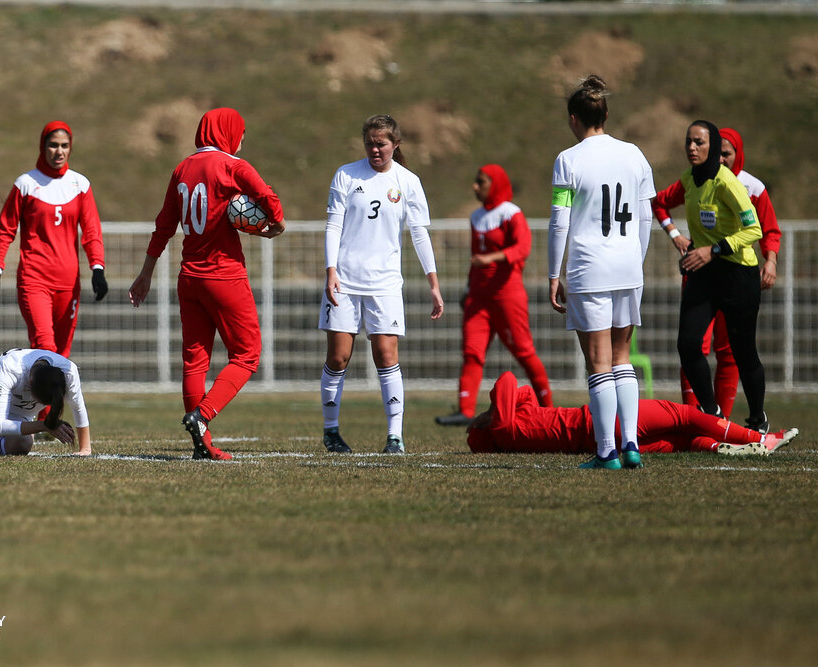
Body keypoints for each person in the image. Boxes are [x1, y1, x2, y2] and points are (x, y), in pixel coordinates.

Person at [128, 108, 285, 461]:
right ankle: (203, 415)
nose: (241, 141)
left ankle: (204, 444)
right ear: (228, 132)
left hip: (189, 278)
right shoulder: (233, 166)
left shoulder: (183, 168)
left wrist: (146, 273)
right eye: (240, 133)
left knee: (194, 362)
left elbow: (164, 226)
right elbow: (270, 202)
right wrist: (275, 226)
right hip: (225, 276)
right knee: (247, 355)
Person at [547, 75, 656, 469]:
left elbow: (560, 222)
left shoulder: (568, 160)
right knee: (623, 356)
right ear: (606, 114)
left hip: (589, 269)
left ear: (574, 119)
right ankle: (631, 446)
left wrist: (552, 275)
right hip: (628, 267)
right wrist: (636, 261)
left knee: (598, 362)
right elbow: (646, 217)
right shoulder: (635, 154)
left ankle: (607, 450)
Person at [320, 113, 444, 455]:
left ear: (396, 145)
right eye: (370, 143)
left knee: (386, 355)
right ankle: (331, 432)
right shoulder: (346, 175)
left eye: (382, 144)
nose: (375, 150)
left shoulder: (408, 182)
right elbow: (333, 226)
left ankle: (395, 437)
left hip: (385, 284)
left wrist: (433, 282)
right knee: (338, 357)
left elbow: (419, 234)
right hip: (344, 281)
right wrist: (331, 270)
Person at [653, 126, 781, 418]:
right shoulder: (689, 180)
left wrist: (769, 260)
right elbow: (659, 203)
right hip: (703, 272)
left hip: (738, 273)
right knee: (689, 344)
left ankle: (756, 417)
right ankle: (707, 414)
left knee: (739, 352)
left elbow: (761, 229)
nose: (692, 148)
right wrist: (676, 236)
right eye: (689, 142)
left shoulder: (742, 185)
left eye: (726, 153)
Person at [436, 164, 552, 427]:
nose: (475, 187)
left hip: (507, 294)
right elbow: (475, 258)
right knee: (472, 352)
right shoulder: (476, 216)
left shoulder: (512, 213)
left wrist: (492, 258)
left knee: (523, 351)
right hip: (479, 297)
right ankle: (465, 409)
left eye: (481, 182)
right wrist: (468, 288)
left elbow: (522, 248)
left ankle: (548, 407)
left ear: (496, 184)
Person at [0, 120, 108, 358]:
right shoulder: (26, 184)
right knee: (44, 346)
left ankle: (39, 397)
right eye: (53, 145)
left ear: (70, 148)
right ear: (43, 146)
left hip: (68, 284)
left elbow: (92, 231)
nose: (59, 151)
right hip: (34, 279)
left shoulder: (80, 184)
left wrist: (97, 268)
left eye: (64, 145)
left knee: (61, 355)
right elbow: (6, 229)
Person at [466, 371, 796, 458]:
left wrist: (495, 414)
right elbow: (507, 381)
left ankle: (724, 449)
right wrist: (488, 413)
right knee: (684, 416)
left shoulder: (516, 435)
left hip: (596, 441)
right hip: (600, 421)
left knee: (681, 442)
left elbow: (522, 399)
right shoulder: (508, 428)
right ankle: (759, 439)